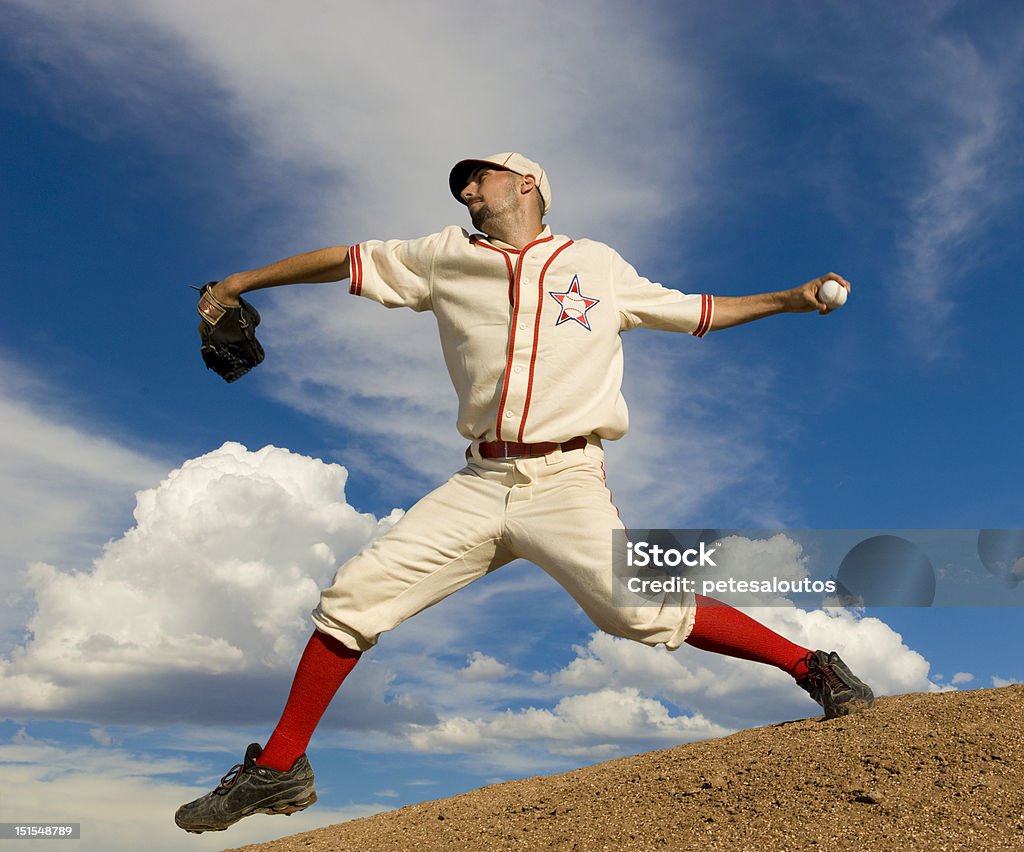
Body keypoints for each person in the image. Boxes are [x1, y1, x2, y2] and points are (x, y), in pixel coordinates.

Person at [175, 152, 874, 834]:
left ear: (529, 184)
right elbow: (342, 259)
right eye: (463, 185)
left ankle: (811, 666)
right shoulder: (444, 254)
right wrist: (240, 281)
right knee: (355, 595)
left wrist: (788, 299)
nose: (468, 191)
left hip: (567, 479)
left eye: (480, 177)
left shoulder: (598, 264)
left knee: (637, 610)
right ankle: (280, 766)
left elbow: (697, 310)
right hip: (479, 481)